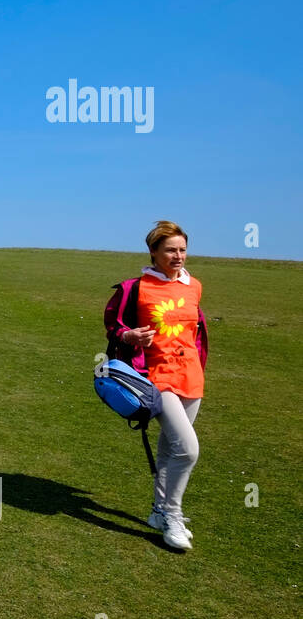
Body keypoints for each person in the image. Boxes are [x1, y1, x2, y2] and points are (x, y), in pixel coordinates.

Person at [104, 220, 209, 552]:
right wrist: (128, 335)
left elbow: (196, 331)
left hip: (191, 376)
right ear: (153, 252)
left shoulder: (194, 286)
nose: (178, 256)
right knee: (188, 450)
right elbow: (113, 323)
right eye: (170, 250)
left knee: (169, 449)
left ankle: (158, 511)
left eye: (182, 249)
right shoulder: (136, 288)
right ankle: (173, 517)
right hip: (155, 377)